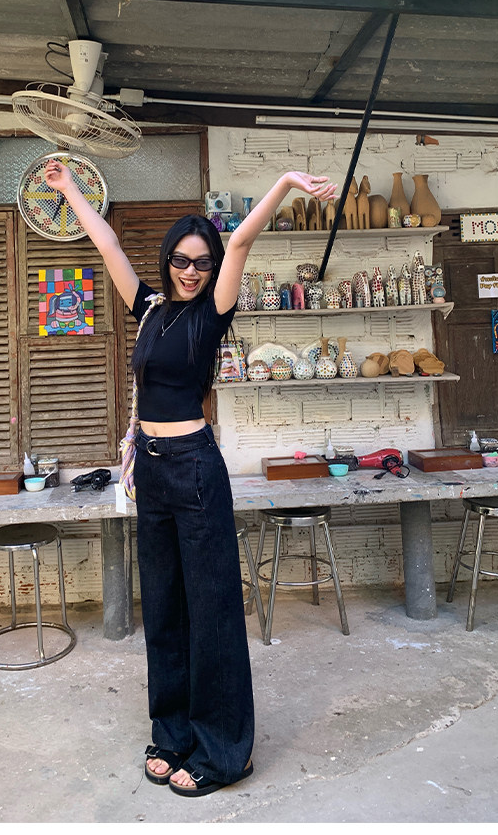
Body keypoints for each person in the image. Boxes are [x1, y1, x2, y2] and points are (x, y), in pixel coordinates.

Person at [44, 159, 337, 797]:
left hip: (196, 469)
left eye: (201, 262)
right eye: (181, 259)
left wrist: (286, 183)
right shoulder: (150, 308)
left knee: (211, 612)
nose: (190, 271)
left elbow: (242, 240)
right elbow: (108, 243)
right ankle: (174, 731)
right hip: (152, 472)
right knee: (165, 608)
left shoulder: (213, 312)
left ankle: (225, 751)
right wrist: (70, 190)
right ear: (168, 260)